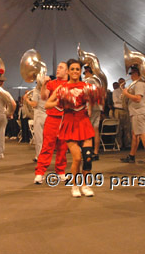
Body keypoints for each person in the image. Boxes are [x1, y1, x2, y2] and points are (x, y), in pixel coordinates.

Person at [45, 59, 97, 197]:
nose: (75, 72)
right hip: (69, 124)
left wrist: (90, 106)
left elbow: (91, 100)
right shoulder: (62, 88)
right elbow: (47, 104)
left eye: (77, 69)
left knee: (87, 157)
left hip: (84, 122)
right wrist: (60, 101)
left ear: (80, 72)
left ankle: (85, 185)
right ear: (68, 71)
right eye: (72, 69)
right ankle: (74, 186)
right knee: (77, 158)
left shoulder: (85, 85)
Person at [34, 63, 68, 184]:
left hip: (65, 119)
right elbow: (43, 97)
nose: (58, 69)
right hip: (52, 119)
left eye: (61, 68)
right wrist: (44, 84)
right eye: (58, 67)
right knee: (47, 146)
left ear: (67, 72)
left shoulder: (71, 85)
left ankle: (60, 171)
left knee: (63, 147)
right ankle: (40, 173)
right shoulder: (52, 83)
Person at [121, 65, 145, 164]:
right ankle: (132, 156)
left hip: (138, 112)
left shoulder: (139, 84)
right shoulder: (138, 84)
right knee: (135, 135)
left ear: (136, 73)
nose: (130, 76)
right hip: (136, 112)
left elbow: (138, 98)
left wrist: (126, 93)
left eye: (132, 73)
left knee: (142, 134)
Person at [83, 65, 103, 161]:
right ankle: (95, 152)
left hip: (91, 106)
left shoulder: (90, 80)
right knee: (95, 129)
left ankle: (88, 151)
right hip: (97, 106)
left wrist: (89, 107)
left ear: (87, 72)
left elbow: (90, 94)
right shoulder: (97, 80)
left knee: (88, 130)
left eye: (85, 72)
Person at [25, 87, 45, 162]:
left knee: (39, 138)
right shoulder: (48, 90)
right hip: (47, 115)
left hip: (39, 116)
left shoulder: (37, 91)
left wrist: (27, 99)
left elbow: (34, 104)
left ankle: (39, 156)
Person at [112, 78, 131, 149]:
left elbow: (130, 100)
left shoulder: (128, 90)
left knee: (127, 128)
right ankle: (119, 144)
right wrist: (124, 101)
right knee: (119, 128)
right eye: (120, 82)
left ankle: (128, 144)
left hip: (126, 110)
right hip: (119, 110)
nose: (122, 83)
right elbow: (116, 101)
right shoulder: (115, 91)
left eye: (123, 82)